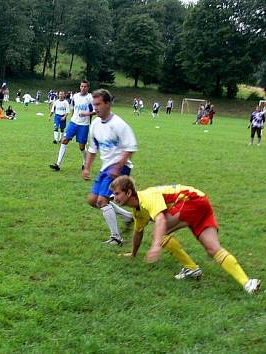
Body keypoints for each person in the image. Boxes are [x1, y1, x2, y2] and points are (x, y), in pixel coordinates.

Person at [110, 176, 261, 294]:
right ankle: (248, 283)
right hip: (201, 202)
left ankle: (191, 268)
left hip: (192, 200)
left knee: (160, 232)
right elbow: (138, 232)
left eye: (117, 194)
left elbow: (161, 220)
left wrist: (156, 245)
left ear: (129, 193)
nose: (114, 198)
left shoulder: (147, 197)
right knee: (213, 249)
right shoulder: (137, 212)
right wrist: (133, 254)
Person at [83, 89, 137, 245]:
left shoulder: (119, 124)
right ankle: (128, 216)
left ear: (108, 104)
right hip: (105, 168)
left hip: (119, 167)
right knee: (92, 200)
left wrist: (118, 167)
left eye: (98, 104)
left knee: (102, 201)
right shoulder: (95, 124)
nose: (96, 108)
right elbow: (93, 149)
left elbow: (130, 147)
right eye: (94, 105)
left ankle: (116, 237)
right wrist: (86, 168)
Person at [50, 80, 95, 171]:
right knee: (64, 140)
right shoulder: (75, 96)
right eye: (81, 86)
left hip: (84, 125)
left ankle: (85, 162)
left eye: (85, 86)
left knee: (81, 147)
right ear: (80, 87)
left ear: (88, 88)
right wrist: (73, 116)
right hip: (73, 123)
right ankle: (58, 164)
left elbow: (95, 111)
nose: (83, 88)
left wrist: (86, 114)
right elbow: (73, 107)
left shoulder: (90, 98)